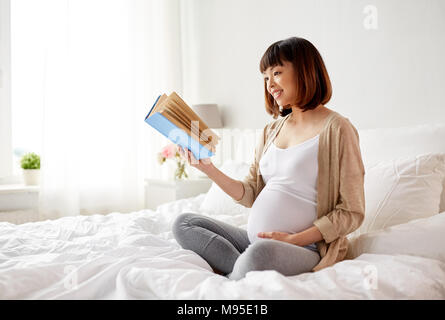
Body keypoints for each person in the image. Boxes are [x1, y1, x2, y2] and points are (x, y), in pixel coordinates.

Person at [172, 37, 365, 280]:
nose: (269, 84)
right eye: (265, 78)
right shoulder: (270, 131)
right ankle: (241, 268)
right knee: (185, 223)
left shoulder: (338, 129)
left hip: (303, 248)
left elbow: (352, 211)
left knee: (260, 254)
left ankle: (236, 272)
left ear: (304, 70)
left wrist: (293, 239)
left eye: (276, 73)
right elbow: (251, 192)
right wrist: (208, 169)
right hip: (257, 241)